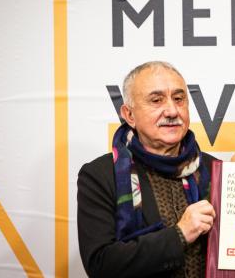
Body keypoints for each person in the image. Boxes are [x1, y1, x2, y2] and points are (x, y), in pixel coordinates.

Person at [77, 61, 216, 278]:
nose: (172, 111)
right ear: (129, 115)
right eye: (156, 100)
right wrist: (180, 234)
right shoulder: (101, 175)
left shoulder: (215, 169)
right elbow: (100, 264)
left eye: (179, 99)